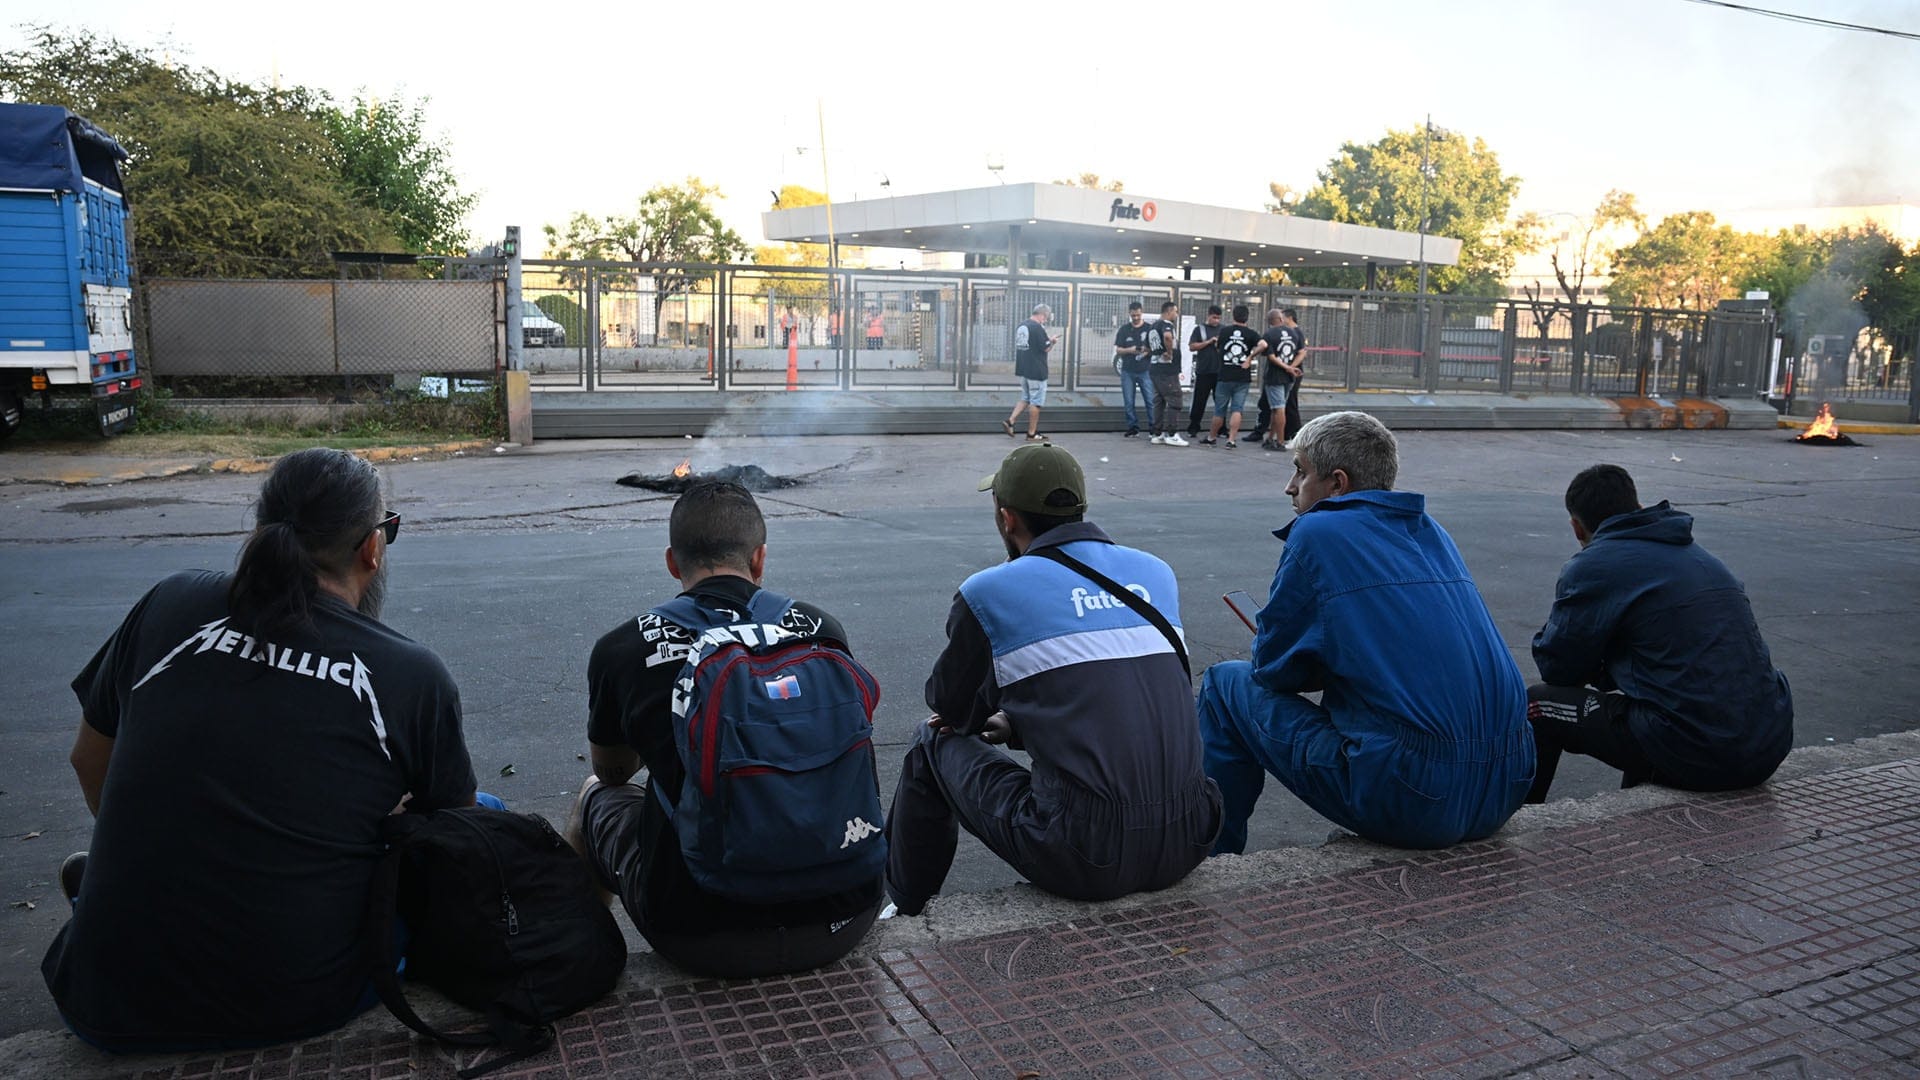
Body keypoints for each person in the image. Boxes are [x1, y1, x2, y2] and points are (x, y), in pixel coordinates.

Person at [46, 448, 482, 1052]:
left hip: (100, 1005)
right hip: (298, 1005)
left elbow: (88, 760)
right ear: (372, 549)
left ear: (261, 530)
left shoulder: (168, 602)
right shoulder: (410, 674)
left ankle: (116, 888)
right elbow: (461, 838)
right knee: (486, 809)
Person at [884, 443, 1223, 914]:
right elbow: (1127, 697)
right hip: (1192, 835)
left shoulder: (990, 591)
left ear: (1007, 519)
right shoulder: (1155, 572)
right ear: (1081, 508)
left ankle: (906, 907)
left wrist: (1002, 710)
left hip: (1085, 854)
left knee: (931, 741)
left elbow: (951, 706)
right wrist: (1021, 721)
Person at [573, 481, 883, 977]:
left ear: (673, 563)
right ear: (759, 559)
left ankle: (580, 953)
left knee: (594, 795)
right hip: (845, 918)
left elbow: (612, 771)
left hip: (701, 936)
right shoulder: (824, 629)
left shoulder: (623, 647)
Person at [1195, 411, 1534, 851]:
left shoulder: (1318, 530)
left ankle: (1212, 857)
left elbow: (1275, 671)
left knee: (1225, 685)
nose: (1290, 487)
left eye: (1300, 471)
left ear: (1337, 483)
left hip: (1412, 794)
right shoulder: (1430, 532)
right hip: (1508, 780)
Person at [1526, 465, 1793, 802]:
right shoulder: (1701, 557)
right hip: (1768, 742)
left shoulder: (1594, 566)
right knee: (1651, 702)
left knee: (1537, 704)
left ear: (1577, 527)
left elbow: (1557, 668)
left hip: (1703, 751)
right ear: (1637, 508)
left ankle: (1523, 825)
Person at [1203, 305, 1261, 448]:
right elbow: (1263, 344)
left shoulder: (1224, 331)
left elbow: (1218, 348)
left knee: (1219, 410)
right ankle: (1231, 440)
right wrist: (1250, 357)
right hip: (1242, 377)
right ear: (1247, 317)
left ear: (1233, 316)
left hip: (1225, 376)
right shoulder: (1251, 333)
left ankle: (1211, 437)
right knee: (1237, 409)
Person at [1250, 309, 1304, 451]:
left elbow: (1271, 357)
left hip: (1275, 377)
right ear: (1280, 319)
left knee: (1278, 408)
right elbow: (1302, 352)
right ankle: (1270, 438)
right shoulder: (1293, 333)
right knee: (1277, 408)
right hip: (1289, 377)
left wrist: (1286, 367)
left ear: (1269, 321)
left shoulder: (1269, 335)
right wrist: (1291, 367)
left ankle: (1280, 441)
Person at [1005, 303, 1058, 441]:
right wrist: (1052, 341)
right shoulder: (1037, 327)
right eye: (1045, 318)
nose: (1045, 321)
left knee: (1025, 397)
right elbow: (1045, 348)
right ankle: (1032, 433)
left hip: (1024, 369)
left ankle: (1010, 421)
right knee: (1036, 402)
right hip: (1036, 370)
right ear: (1041, 315)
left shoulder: (1022, 326)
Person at [1113, 300, 1156, 438]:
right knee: (1129, 401)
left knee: (1150, 400)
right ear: (1129, 314)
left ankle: (1153, 427)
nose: (1136, 318)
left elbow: (1156, 348)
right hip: (1128, 370)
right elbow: (1118, 349)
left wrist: (1146, 351)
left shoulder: (1150, 329)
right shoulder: (1124, 329)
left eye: (1138, 315)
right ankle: (1133, 427)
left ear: (1141, 313)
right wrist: (1130, 350)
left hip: (1145, 370)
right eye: (1133, 316)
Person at [1147, 301, 1188, 446]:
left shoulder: (1152, 326)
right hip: (1167, 371)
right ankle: (1172, 434)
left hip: (1155, 369)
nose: (1176, 315)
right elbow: (1168, 337)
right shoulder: (1167, 324)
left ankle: (1156, 433)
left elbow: (1148, 348)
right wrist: (1170, 353)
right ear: (1169, 311)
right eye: (1175, 312)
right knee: (1175, 398)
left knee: (1159, 401)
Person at [1185, 306, 1223, 440]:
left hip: (1219, 371)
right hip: (1204, 371)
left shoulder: (1223, 329)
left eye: (1218, 318)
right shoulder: (1199, 329)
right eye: (1214, 317)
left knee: (1221, 401)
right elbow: (1192, 346)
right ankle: (1194, 426)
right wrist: (1208, 342)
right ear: (1208, 315)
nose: (1216, 320)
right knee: (1199, 401)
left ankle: (1221, 428)